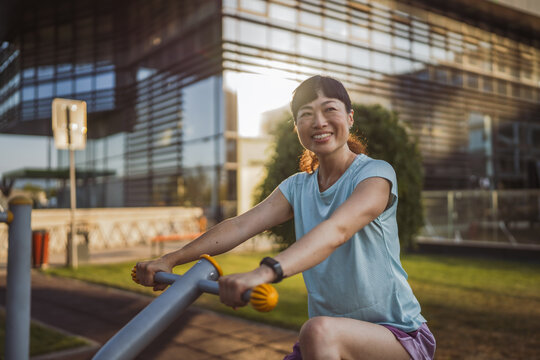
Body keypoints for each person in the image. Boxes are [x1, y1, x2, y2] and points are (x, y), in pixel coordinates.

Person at [135, 75, 436, 360]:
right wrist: (172, 259)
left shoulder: (375, 173)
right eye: (306, 114)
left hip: (399, 336)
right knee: (319, 332)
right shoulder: (297, 186)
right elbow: (240, 225)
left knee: (317, 330)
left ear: (350, 118)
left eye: (329, 109)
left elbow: (337, 229)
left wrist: (263, 273)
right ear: (297, 127)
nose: (318, 121)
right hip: (329, 340)